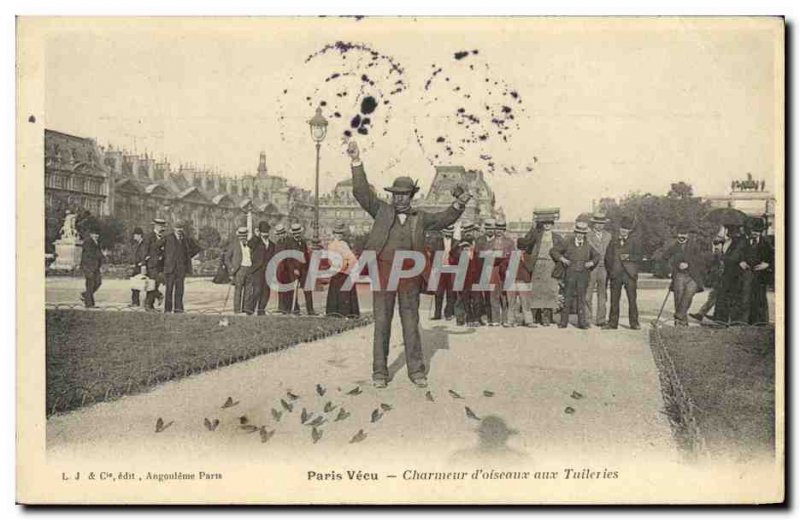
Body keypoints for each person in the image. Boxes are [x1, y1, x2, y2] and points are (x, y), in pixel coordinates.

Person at [347, 140, 469, 388]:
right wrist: (356, 161)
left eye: (404, 195)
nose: (400, 199)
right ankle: (380, 373)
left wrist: (460, 204)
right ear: (391, 196)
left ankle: (416, 371)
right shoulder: (380, 210)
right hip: (383, 272)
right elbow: (361, 192)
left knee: (411, 322)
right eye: (396, 195)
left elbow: (444, 219)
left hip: (410, 275)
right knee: (381, 322)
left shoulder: (420, 217)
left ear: (411, 196)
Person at [550, 220, 600, 329]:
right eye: (578, 233)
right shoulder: (567, 242)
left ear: (585, 234)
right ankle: (563, 322)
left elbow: (597, 256)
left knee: (581, 299)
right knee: (567, 298)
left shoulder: (588, 244)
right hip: (570, 274)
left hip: (583, 275)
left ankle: (582, 323)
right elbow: (553, 251)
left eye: (582, 233)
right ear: (575, 233)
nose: (580, 235)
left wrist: (591, 262)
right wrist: (562, 259)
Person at [517, 208, 561, 326]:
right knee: (536, 291)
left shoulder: (557, 237)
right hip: (538, 265)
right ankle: (535, 317)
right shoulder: (537, 235)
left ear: (552, 225)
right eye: (545, 223)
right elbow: (525, 241)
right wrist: (533, 227)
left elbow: (563, 251)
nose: (547, 226)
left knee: (549, 291)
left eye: (549, 224)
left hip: (551, 264)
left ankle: (546, 318)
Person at [664, 225, 709, 326]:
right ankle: (681, 322)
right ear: (677, 234)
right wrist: (671, 268)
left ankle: (679, 315)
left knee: (688, 296)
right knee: (679, 297)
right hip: (679, 275)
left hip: (693, 276)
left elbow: (701, 261)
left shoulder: (695, 246)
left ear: (688, 235)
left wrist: (688, 264)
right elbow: (664, 258)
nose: (682, 236)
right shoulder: (674, 246)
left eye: (684, 234)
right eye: (680, 234)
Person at [603, 216, 642, 330]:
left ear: (630, 230)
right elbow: (608, 257)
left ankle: (634, 323)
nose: (624, 231)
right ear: (619, 228)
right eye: (622, 228)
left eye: (626, 229)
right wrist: (611, 271)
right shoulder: (613, 241)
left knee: (632, 300)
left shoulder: (635, 241)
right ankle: (612, 323)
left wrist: (629, 257)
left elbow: (640, 257)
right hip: (616, 274)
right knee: (614, 300)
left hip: (630, 275)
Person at [738, 218, 773, 325]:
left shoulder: (766, 242)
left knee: (760, 296)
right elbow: (738, 255)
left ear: (761, 231)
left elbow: (773, 257)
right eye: (752, 230)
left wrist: (766, 264)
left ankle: (760, 321)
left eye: (757, 231)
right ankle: (743, 320)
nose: (754, 233)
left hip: (760, 273)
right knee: (745, 295)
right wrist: (741, 262)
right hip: (747, 272)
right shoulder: (743, 241)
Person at [162, 222, 201, 313]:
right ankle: (167, 309)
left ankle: (178, 308)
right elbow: (156, 247)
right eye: (177, 228)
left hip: (181, 269)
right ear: (174, 228)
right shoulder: (168, 238)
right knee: (169, 289)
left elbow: (197, 248)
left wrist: (188, 256)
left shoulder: (186, 239)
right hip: (170, 268)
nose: (179, 230)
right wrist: (165, 257)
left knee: (180, 290)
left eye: (181, 228)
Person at [711, 224, 746, 325]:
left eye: (731, 231)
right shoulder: (726, 241)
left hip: (734, 272)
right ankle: (720, 318)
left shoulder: (739, 241)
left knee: (732, 295)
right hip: (725, 272)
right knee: (722, 294)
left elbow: (734, 257)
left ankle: (731, 319)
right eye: (728, 230)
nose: (728, 233)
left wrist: (723, 258)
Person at [450, 222, 483, 327]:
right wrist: (458, 244)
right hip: (464, 282)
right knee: (466, 301)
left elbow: (481, 267)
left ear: (472, 245)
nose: (466, 249)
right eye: (464, 247)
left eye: (468, 247)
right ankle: (469, 319)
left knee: (477, 301)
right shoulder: (459, 256)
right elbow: (452, 256)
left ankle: (477, 318)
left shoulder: (477, 255)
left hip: (476, 281)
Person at [325, 222, 360, 317]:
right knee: (338, 291)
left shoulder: (344, 244)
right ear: (334, 234)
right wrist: (342, 265)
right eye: (337, 234)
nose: (339, 236)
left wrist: (351, 264)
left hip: (346, 270)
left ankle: (349, 312)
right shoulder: (332, 245)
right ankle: (337, 312)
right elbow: (332, 259)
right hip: (338, 271)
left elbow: (350, 256)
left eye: (340, 234)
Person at [689, 235, 725, 323]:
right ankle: (704, 314)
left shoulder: (723, 255)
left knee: (715, 298)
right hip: (718, 280)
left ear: (722, 245)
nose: (716, 246)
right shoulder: (716, 255)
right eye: (714, 244)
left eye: (718, 244)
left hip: (723, 280)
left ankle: (703, 314)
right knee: (714, 297)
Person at [585, 212, 612, 327]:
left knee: (602, 294)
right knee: (587, 294)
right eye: (597, 223)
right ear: (593, 224)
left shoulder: (609, 236)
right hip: (591, 268)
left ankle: (601, 319)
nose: (600, 226)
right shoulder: (587, 235)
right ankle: (587, 319)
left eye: (602, 223)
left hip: (604, 268)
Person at [246, 221, 277, 315]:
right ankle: (250, 309)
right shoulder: (256, 242)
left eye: (267, 232)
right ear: (260, 232)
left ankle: (261, 310)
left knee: (266, 291)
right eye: (263, 232)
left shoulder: (272, 244)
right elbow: (249, 244)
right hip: (257, 269)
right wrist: (256, 236)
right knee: (257, 290)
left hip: (268, 270)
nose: (265, 234)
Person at [488, 218, 514, 326]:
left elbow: (514, 256)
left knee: (505, 295)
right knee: (494, 294)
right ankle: (495, 319)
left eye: (501, 229)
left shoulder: (510, 242)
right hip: (493, 270)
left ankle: (505, 319)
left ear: (504, 230)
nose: (499, 231)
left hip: (505, 270)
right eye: (497, 229)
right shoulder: (490, 243)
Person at [225, 226, 252, 314]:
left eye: (245, 235)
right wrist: (231, 268)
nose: (243, 237)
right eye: (241, 235)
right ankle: (237, 310)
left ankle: (246, 309)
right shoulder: (234, 245)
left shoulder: (251, 244)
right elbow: (227, 258)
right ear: (239, 236)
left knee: (248, 291)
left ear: (247, 235)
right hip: (239, 269)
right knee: (238, 290)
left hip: (250, 269)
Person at [474, 218, 496, 325]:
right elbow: (477, 254)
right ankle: (477, 318)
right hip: (480, 271)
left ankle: (491, 318)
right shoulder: (479, 240)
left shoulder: (498, 240)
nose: (490, 230)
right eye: (488, 228)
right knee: (478, 297)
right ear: (485, 229)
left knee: (490, 296)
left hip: (492, 272)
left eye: (492, 228)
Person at [142, 218, 167, 311]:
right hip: (151, 265)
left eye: (163, 226)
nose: (162, 228)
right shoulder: (149, 236)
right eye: (161, 226)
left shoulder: (163, 237)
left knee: (155, 284)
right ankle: (150, 303)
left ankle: (150, 304)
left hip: (160, 265)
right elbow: (144, 251)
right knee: (152, 284)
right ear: (155, 226)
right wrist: (143, 265)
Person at [79, 225, 105, 308]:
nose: (97, 236)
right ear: (91, 234)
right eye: (95, 234)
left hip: (95, 267)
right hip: (88, 266)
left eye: (97, 234)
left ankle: (86, 295)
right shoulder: (87, 242)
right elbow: (88, 255)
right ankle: (89, 304)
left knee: (98, 282)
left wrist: (102, 259)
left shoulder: (96, 242)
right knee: (90, 284)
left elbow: (99, 253)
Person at [129, 227, 146, 307]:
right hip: (137, 266)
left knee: (143, 284)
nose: (134, 236)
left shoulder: (143, 244)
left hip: (141, 267)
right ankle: (135, 302)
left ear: (139, 235)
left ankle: (135, 302)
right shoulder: (138, 244)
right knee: (135, 284)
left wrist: (141, 263)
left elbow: (144, 255)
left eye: (135, 235)